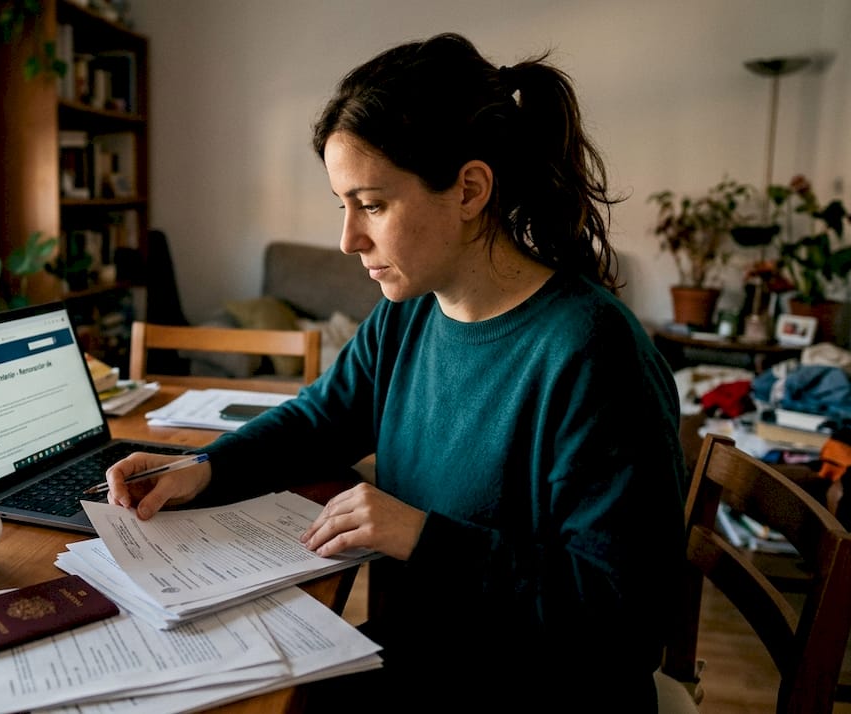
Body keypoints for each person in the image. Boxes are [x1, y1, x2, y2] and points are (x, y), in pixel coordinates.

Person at [104, 32, 686, 711]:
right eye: (343, 205)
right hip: (426, 653)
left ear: (470, 189)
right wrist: (206, 468)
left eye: (373, 205)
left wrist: (422, 536)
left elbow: (627, 619)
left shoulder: (594, 355)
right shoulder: (409, 313)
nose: (349, 239)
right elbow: (321, 419)